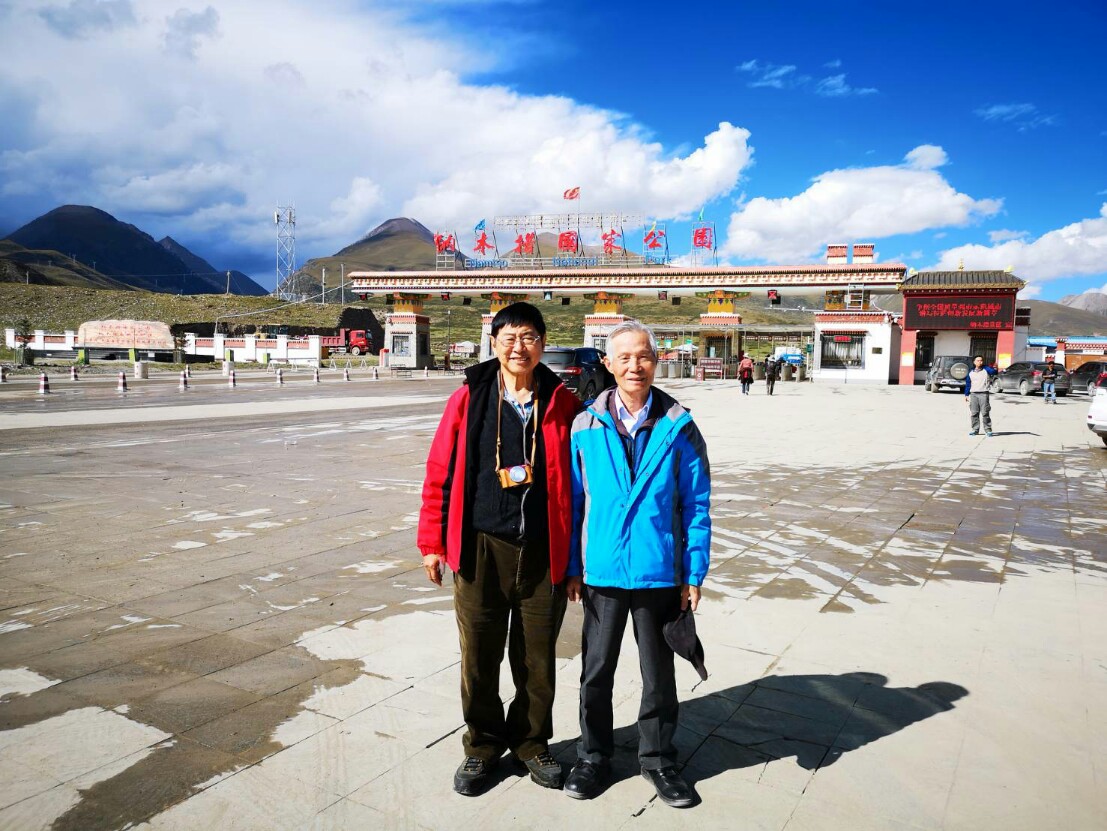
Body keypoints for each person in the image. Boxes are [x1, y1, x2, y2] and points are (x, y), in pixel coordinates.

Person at [417, 302, 582, 796]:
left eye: (529, 337)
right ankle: (483, 745)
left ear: (543, 343)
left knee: (537, 658)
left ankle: (531, 742)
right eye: (509, 338)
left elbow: (583, 485)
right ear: (493, 344)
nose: (518, 347)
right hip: (480, 548)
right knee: (479, 654)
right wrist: (432, 543)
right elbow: (440, 471)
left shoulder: (563, 403)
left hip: (542, 551)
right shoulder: (469, 398)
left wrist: (576, 560)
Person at [563, 320, 712, 808]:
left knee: (658, 673)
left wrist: (693, 572)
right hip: (602, 570)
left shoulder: (679, 426)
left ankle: (659, 759)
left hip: (658, 570)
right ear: (607, 364)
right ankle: (593, 756)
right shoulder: (585, 427)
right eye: (624, 357)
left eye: (643, 356)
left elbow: (697, 504)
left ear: (656, 359)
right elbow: (573, 503)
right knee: (596, 671)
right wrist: (571, 566)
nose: (635, 366)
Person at [963, 355, 997, 437]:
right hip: (973, 394)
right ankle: (975, 430)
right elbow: (968, 384)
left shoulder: (986, 369)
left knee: (985, 413)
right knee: (974, 413)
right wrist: (966, 395)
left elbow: (994, 372)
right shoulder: (971, 372)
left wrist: (994, 367)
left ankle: (988, 430)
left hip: (984, 394)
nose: (980, 362)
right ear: (974, 362)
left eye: (981, 360)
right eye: (978, 360)